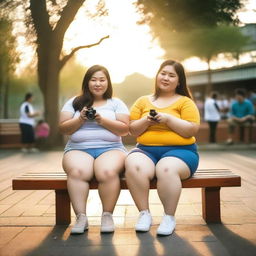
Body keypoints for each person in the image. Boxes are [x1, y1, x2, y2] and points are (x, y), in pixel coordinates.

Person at [125, 60, 200, 236]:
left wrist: (168, 119)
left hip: (182, 152)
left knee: (166, 169)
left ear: (179, 81)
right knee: (133, 165)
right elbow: (132, 130)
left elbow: (191, 129)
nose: (166, 78)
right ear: (157, 75)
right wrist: (146, 120)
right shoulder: (143, 101)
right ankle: (144, 214)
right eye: (163, 73)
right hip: (146, 150)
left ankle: (169, 217)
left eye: (171, 75)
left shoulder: (185, 102)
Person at [59, 65, 129, 234]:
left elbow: (125, 129)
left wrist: (101, 120)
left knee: (106, 172)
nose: (98, 83)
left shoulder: (116, 103)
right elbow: (64, 128)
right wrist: (81, 119)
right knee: (77, 172)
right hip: (78, 149)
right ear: (87, 82)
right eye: (94, 79)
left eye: (102, 80)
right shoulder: (74, 102)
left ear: (108, 82)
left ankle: (107, 215)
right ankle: (81, 218)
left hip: (112, 148)